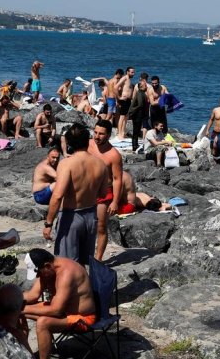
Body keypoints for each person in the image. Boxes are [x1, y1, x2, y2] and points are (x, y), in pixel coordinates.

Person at [22, 248, 93, 359]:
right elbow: (33, 295)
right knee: (15, 310)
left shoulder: (66, 273)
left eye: (39, 273)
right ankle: (25, 354)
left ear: (47, 266)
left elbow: (55, 310)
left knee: (43, 323)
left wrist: (23, 309)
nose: (39, 277)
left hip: (81, 317)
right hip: (63, 312)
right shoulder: (47, 268)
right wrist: (11, 300)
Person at [43, 123, 108, 264]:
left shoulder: (67, 164)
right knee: (85, 262)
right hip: (91, 216)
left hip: (71, 216)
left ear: (70, 143)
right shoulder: (100, 164)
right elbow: (103, 193)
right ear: (87, 141)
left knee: (66, 264)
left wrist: (48, 224)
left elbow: (58, 196)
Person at [88, 119, 123, 261]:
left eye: (101, 134)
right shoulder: (88, 144)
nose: (97, 136)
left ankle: (98, 259)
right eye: (95, 132)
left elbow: (117, 179)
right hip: (86, 190)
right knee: (85, 224)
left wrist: (115, 201)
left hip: (103, 193)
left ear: (109, 135)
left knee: (101, 227)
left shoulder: (114, 155)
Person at [129, 73, 150, 151]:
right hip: (137, 114)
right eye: (145, 86)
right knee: (136, 131)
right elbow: (140, 104)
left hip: (138, 113)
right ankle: (134, 146)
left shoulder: (141, 93)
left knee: (136, 131)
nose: (146, 87)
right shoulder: (140, 94)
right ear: (141, 87)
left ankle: (135, 144)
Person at [116, 66, 135, 139]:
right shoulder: (125, 78)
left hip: (128, 101)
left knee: (126, 117)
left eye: (133, 72)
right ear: (127, 72)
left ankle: (123, 133)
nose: (133, 74)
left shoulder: (129, 80)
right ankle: (119, 134)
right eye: (132, 72)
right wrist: (119, 98)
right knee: (122, 117)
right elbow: (116, 87)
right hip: (124, 100)